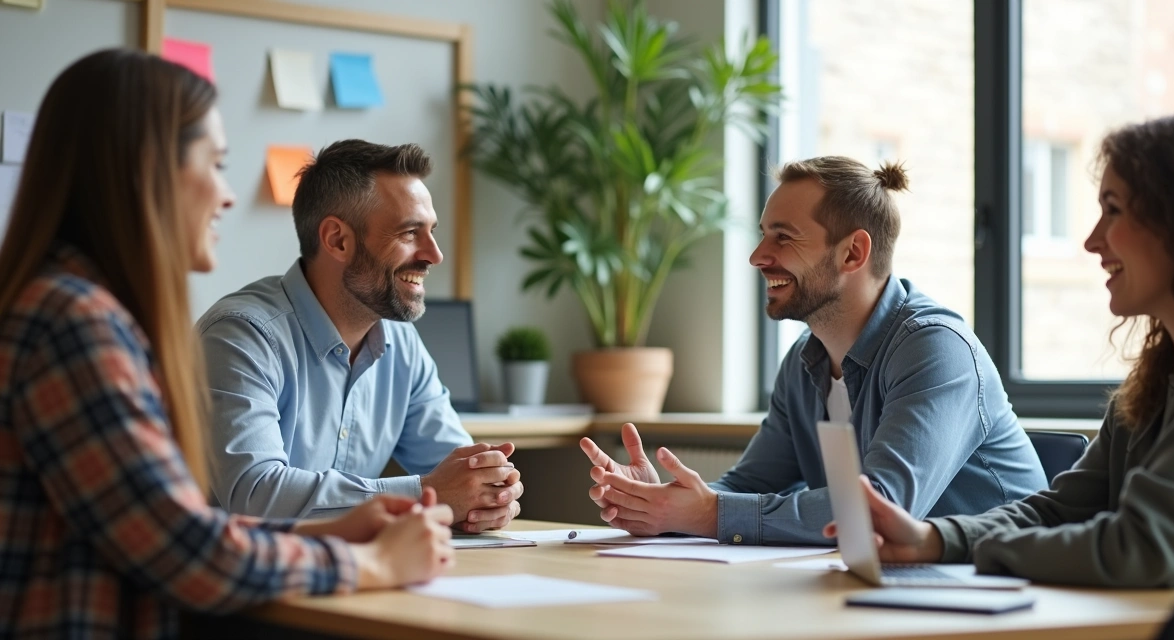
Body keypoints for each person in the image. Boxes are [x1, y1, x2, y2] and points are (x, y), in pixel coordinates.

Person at [0, 49, 454, 637]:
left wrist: (331, 530)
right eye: (215, 164)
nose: (228, 195)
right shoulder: (71, 323)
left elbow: (178, 525)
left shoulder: (80, 311)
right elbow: (182, 548)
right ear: (145, 172)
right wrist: (371, 561)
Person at [826, 111, 1174, 587]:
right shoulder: (1145, 395)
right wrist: (932, 539)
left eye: (1113, 210)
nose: (1093, 241)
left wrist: (971, 547)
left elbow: (1139, 548)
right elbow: (1058, 512)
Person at [581, 157, 1046, 545]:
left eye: (783, 237)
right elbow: (746, 488)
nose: (758, 255)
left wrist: (708, 514)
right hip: (900, 591)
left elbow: (879, 508)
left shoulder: (937, 351)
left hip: (1000, 597)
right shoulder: (807, 360)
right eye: (764, 233)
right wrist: (664, 501)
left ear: (852, 254)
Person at [198, 139, 522, 531]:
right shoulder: (240, 337)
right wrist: (423, 493)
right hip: (243, 583)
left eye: (432, 231)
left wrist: (492, 494)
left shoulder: (402, 346)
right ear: (337, 240)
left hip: (359, 576)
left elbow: (461, 474)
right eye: (409, 233)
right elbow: (253, 496)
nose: (434, 254)